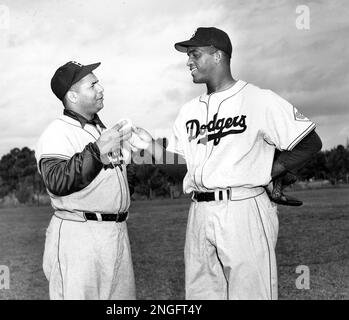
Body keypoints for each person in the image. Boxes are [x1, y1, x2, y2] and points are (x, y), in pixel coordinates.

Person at [133, 27, 322, 299]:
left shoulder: (258, 99)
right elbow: (185, 166)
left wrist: (269, 172)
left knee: (251, 293)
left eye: (195, 54)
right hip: (199, 211)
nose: (188, 62)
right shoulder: (189, 111)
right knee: (201, 295)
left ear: (218, 55)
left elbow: (310, 142)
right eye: (188, 56)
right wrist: (151, 147)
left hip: (243, 207)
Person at [35, 61, 136, 300]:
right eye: (93, 85)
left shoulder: (103, 131)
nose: (101, 89)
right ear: (72, 95)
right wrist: (96, 152)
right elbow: (57, 181)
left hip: (117, 233)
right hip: (79, 234)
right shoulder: (57, 132)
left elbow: (119, 182)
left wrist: (139, 155)